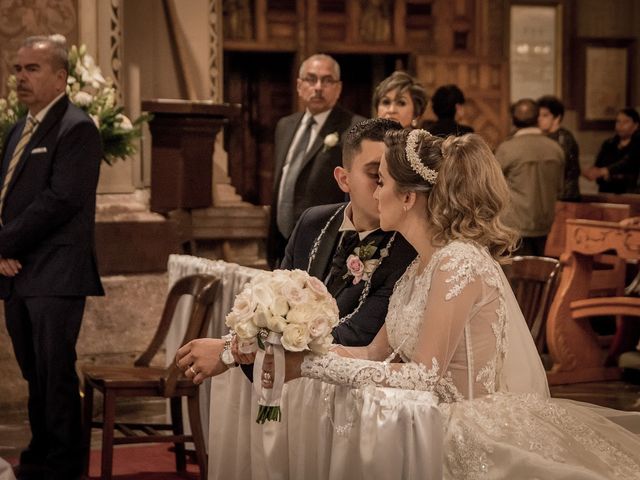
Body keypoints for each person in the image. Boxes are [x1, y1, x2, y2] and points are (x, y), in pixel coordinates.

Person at [271, 130, 640, 477]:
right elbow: (373, 352)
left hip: (467, 430)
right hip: (426, 419)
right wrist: (305, 350)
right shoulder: (419, 266)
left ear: (408, 197)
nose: (374, 193)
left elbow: (424, 375)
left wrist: (310, 368)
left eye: (381, 181)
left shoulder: (457, 262)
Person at [177, 118, 416, 383]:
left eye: (396, 176)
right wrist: (241, 338)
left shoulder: (408, 249)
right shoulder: (312, 222)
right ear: (343, 179)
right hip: (289, 385)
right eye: (376, 175)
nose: (389, 187)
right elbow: (273, 305)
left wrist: (229, 353)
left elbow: (356, 336)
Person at [0, 36, 103, 480]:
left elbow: (61, 200)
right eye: (18, 69)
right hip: (19, 270)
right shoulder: (20, 127)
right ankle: (41, 451)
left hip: (56, 271)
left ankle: (64, 464)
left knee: (55, 371)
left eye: (32, 69)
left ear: (61, 77)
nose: (21, 77)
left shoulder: (77, 128)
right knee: (32, 372)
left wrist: (4, 245)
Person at [267, 54, 365, 269]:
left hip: (325, 242)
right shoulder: (285, 125)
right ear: (299, 86)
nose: (318, 87)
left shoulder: (355, 128)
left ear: (338, 88)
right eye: (311, 79)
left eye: (327, 80)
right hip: (282, 243)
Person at [496, 98, 564, 256]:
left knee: (515, 276)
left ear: (513, 120)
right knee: (539, 272)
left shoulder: (507, 149)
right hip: (545, 223)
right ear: (537, 119)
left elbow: (493, 186)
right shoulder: (555, 149)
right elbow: (560, 188)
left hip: (514, 224)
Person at [583, 107, 640, 194]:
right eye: (618, 121)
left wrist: (606, 171)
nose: (620, 125)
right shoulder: (609, 144)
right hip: (605, 192)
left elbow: (627, 162)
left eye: (625, 122)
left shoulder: (637, 144)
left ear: (636, 125)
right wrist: (592, 172)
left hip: (629, 194)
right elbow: (598, 166)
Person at [538, 95, 581, 201]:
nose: (539, 119)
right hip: (550, 195)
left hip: (565, 197)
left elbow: (564, 169)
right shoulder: (543, 136)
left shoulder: (565, 139)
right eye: (538, 115)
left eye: (545, 115)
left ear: (557, 118)